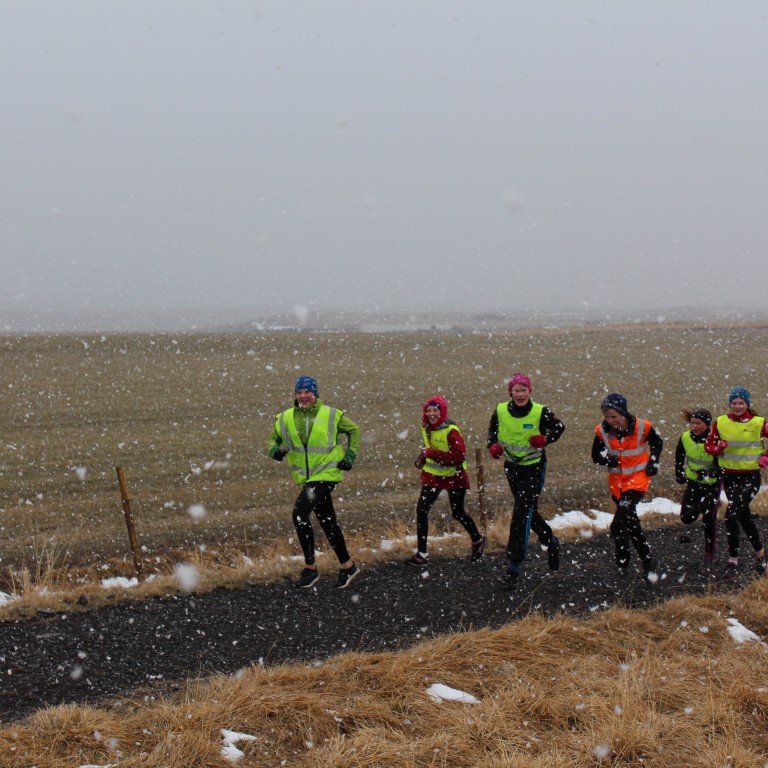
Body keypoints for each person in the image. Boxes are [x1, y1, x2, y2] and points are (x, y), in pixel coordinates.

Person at [268, 375, 361, 589]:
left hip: (326, 475)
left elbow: (354, 431)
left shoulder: (330, 414)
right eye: (299, 392)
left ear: (315, 393)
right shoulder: (286, 417)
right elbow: (273, 439)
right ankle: (348, 566)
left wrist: (350, 456)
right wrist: (274, 451)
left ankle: (310, 567)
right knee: (328, 522)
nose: (303, 396)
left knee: (299, 514)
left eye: (307, 391)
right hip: (307, 478)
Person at [487, 373, 565, 585]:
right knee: (528, 510)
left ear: (530, 391)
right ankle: (550, 540)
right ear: (510, 392)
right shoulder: (501, 410)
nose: (520, 394)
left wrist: (545, 439)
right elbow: (492, 433)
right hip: (512, 468)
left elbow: (559, 427)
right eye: (516, 390)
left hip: (534, 468)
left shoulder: (540, 411)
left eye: (523, 390)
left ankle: (514, 567)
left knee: (521, 513)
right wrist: (493, 447)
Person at [407, 396, 486, 567]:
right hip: (432, 476)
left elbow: (459, 456)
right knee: (421, 511)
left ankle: (478, 540)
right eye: (429, 410)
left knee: (458, 513)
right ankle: (422, 554)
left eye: (435, 410)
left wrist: (432, 454)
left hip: (454, 476)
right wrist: (421, 458)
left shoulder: (451, 430)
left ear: (442, 412)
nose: (432, 414)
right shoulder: (425, 427)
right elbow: (428, 447)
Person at [591, 393, 663, 580]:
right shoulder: (601, 431)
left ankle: (622, 563)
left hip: (638, 481)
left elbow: (657, 442)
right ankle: (646, 560)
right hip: (617, 484)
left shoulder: (643, 427)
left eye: (614, 416)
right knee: (631, 524)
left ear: (623, 413)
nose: (610, 420)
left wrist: (653, 461)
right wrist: (606, 459)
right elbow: (595, 456)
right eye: (607, 416)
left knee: (620, 522)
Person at [704, 386, 768, 579]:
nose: (738, 406)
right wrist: (718, 449)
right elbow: (709, 445)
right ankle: (761, 555)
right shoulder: (721, 422)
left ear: (747, 404)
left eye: (741, 403)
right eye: (734, 403)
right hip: (730, 477)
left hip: (750, 477)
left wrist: (765, 458)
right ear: (729, 404)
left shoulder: (759, 422)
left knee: (731, 516)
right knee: (744, 517)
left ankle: (733, 561)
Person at [674, 408, 721, 562]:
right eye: (692, 423)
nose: (694, 426)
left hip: (712, 485)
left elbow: (722, 466)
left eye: (698, 423)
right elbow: (679, 456)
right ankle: (706, 505)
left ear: (707, 424)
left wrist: (709, 473)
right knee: (686, 517)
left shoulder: (715, 440)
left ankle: (710, 552)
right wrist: (679, 473)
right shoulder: (685, 437)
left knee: (708, 519)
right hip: (693, 483)